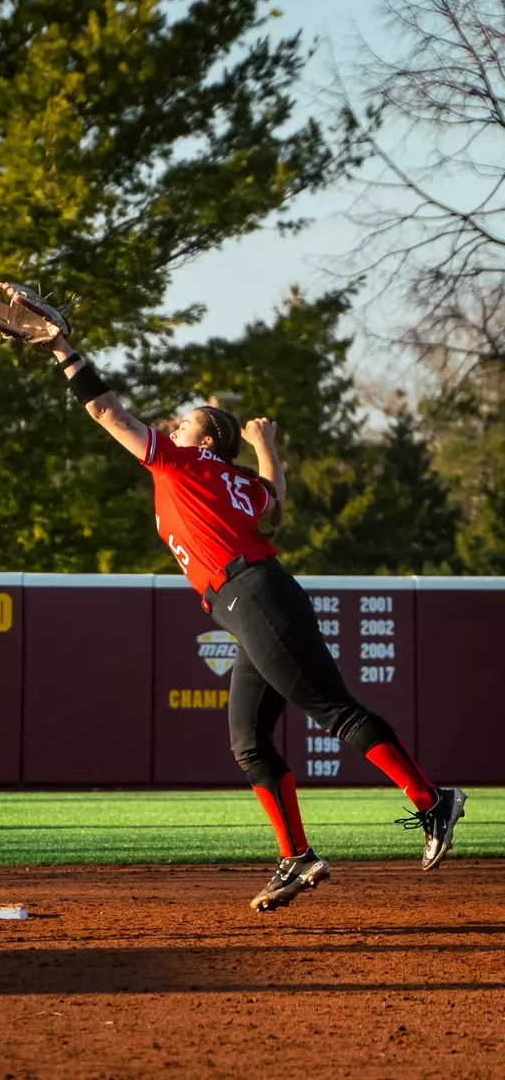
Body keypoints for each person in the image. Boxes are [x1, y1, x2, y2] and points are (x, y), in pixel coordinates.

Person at [46, 332, 466, 912]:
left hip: (253, 593)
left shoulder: (185, 464)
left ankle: (433, 799)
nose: (173, 427)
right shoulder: (237, 481)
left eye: (185, 422)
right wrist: (266, 442)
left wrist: (62, 347)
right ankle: (296, 856)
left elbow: (103, 409)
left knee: (333, 710)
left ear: (207, 440)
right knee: (248, 742)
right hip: (249, 601)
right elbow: (274, 498)